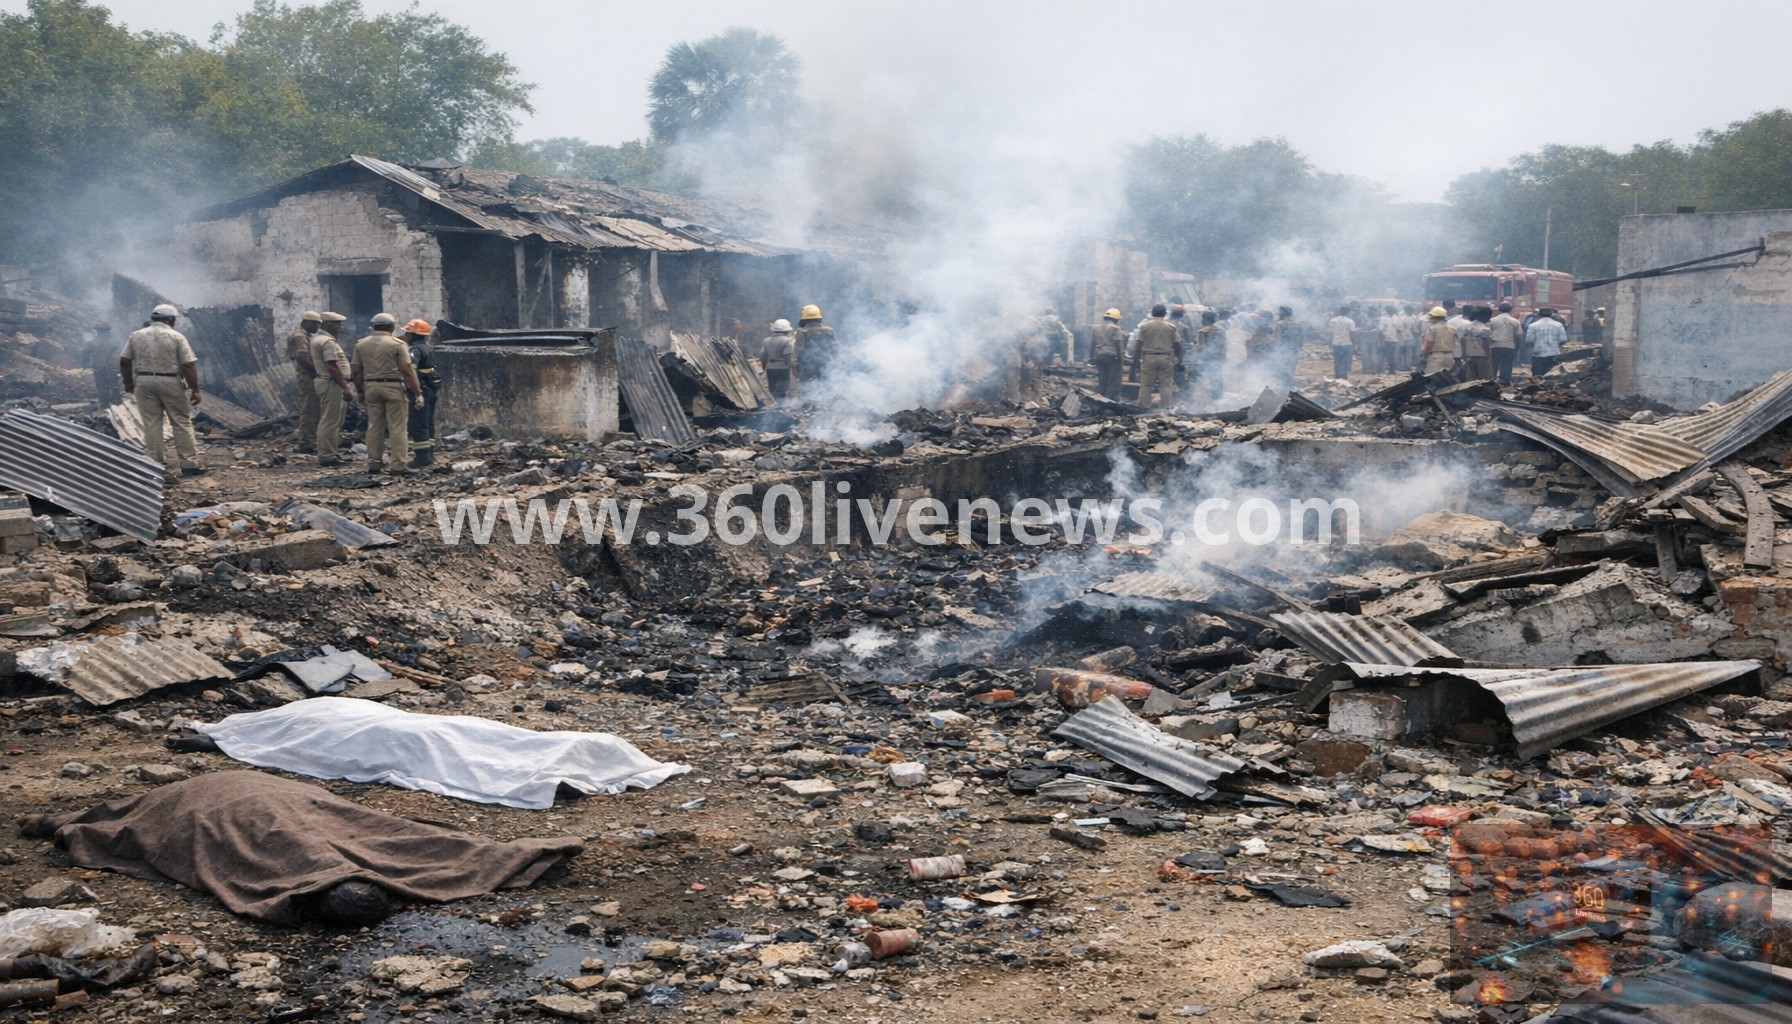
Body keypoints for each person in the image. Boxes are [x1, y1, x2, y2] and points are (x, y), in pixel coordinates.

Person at [120, 303, 207, 477]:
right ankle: (189, 465)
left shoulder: (136, 335)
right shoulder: (177, 337)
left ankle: (153, 465)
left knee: (152, 423)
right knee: (181, 422)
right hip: (170, 381)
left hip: (143, 381)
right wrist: (195, 389)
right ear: (171, 320)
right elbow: (188, 365)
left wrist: (128, 383)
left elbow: (124, 360)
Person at [350, 313, 424, 475]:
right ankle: (398, 465)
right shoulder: (398, 344)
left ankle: (374, 464)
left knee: (374, 426)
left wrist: (360, 390)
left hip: (371, 387)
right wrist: (417, 393)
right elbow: (407, 371)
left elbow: (356, 370)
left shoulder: (361, 345)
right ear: (391, 327)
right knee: (397, 427)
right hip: (393, 387)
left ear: (373, 326)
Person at [309, 312, 355, 466]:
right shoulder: (326, 341)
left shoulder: (319, 339)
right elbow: (332, 365)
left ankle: (331, 452)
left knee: (334, 421)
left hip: (329, 382)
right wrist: (345, 387)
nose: (340, 327)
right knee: (330, 421)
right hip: (331, 383)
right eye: (338, 324)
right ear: (329, 325)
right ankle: (327, 456)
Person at [402, 319, 440, 470]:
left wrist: (416, 392)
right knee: (428, 422)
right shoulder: (427, 348)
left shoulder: (415, 350)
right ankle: (429, 454)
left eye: (407, 333)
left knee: (417, 423)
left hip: (421, 389)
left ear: (412, 335)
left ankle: (422, 457)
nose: (405, 336)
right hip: (431, 388)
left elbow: (411, 370)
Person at [1131, 304, 1182, 407]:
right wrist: (1180, 359)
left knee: (1146, 385)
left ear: (1153, 313)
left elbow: (1139, 344)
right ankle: (1165, 408)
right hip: (1166, 358)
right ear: (1165, 314)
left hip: (1149, 358)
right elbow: (1177, 345)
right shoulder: (1171, 327)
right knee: (1166, 385)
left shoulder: (1144, 326)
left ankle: (1144, 407)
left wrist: (1135, 360)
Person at [286, 311, 322, 454]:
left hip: (307, 376)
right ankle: (306, 442)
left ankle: (310, 440)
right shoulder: (300, 337)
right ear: (307, 322)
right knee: (310, 409)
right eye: (315, 324)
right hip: (307, 376)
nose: (317, 328)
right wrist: (318, 372)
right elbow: (302, 358)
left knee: (312, 409)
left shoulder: (302, 335)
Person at [794, 304, 836, 381]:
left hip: (807, 369)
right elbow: (834, 349)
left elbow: (799, 351)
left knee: (809, 388)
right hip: (826, 367)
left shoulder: (802, 332)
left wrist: (796, 368)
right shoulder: (829, 330)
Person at [1090, 308, 1125, 399]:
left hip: (1099, 356)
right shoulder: (1115, 328)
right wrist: (1119, 356)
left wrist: (1091, 356)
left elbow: (1093, 343)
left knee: (1102, 378)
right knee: (1113, 380)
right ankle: (1110, 399)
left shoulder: (1095, 328)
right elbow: (1117, 343)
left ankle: (1099, 397)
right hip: (1112, 357)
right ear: (1115, 319)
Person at [761, 319, 797, 400]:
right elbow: (788, 357)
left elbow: (763, 357)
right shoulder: (788, 341)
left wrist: (764, 369)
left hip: (770, 368)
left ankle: (774, 405)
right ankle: (781, 405)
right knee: (782, 390)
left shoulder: (766, 340)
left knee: (772, 390)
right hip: (783, 369)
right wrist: (793, 371)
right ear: (787, 330)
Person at [1488, 302, 1523, 385]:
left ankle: (1491, 382)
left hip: (1495, 346)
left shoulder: (1492, 320)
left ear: (1499, 309)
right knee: (1507, 366)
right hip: (1509, 346)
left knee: (1494, 366)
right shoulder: (1515, 321)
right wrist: (1517, 346)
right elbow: (1517, 335)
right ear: (1511, 310)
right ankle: (1505, 383)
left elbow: (1488, 335)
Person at [1526, 307, 1567, 378]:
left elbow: (1529, 341)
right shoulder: (1558, 325)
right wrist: (1556, 346)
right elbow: (1563, 340)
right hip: (1553, 353)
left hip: (1537, 354)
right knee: (1552, 376)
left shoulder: (1533, 326)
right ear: (1551, 315)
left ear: (1539, 315)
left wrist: (1531, 348)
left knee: (1537, 376)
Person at [1194, 310, 1226, 401]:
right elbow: (1223, 344)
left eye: (1202, 318)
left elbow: (1201, 347)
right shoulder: (1221, 329)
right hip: (1219, 356)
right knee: (1217, 376)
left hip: (1207, 358)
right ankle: (1218, 397)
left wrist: (1194, 349)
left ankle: (1202, 398)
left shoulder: (1202, 331)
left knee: (1203, 377)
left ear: (1205, 319)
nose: (1201, 320)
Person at [1418, 306, 1458, 375]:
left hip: (1436, 357)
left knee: (1433, 378)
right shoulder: (1453, 328)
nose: (1430, 319)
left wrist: (1424, 355)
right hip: (1450, 356)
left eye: (1431, 317)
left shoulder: (1433, 329)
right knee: (1447, 378)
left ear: (1435, 317)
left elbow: (1429, 343)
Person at [1459, 306, 1495, 381]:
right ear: (1485, 317)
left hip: (1469, 356)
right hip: (1481, 356)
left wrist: (1464, 354)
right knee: (1485, 379)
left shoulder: (1466, 327)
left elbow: (1463, 340)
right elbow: (1486, 344)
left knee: (1471, 379)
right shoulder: (1484, 329)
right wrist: (1489, 358)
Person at [1326, 306, 1356, 379]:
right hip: (1347, 343)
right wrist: (1354, 343)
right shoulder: (1350, 321)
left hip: (1336, 343)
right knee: (1346, 361)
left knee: (1337, 360)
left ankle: (1338, 375)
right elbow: (1352, 333)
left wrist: (1330, 342)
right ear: (1348, 312)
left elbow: (1330, 332)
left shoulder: (1332, 320)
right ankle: (1344, 376)